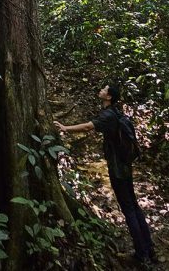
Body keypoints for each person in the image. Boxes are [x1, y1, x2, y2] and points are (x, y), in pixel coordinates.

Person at [55, 83, 157, 266]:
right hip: (125, 165)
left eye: (104, 89)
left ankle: (142, 255)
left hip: (118, 168)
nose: (101, 90)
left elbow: (88, 127)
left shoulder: (109, 115)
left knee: (128, 209)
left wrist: (65, 128)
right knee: (133, 205)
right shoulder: (116, 113)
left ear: (109, 97)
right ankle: (149, 249)